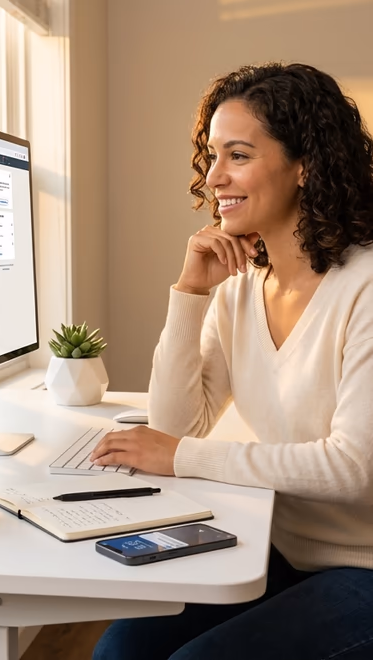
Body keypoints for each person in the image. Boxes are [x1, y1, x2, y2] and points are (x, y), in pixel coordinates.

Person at [90, 63, 373, 660]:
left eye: (238, 155)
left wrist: (180, 456)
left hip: (365, 567)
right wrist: (190, 292)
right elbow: (175, 426)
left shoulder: (365, 287)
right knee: (121, 650)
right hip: (285, 548)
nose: (215, 176)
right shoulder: (240, 287)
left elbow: (352, 469)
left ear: (306, 165)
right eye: (213, 155)